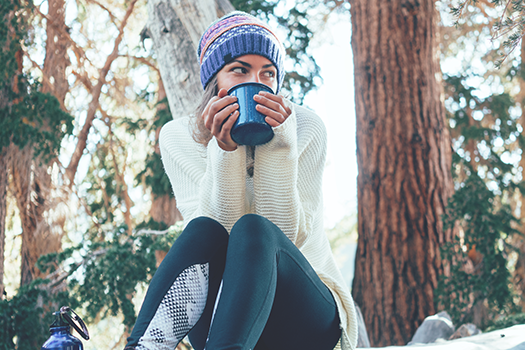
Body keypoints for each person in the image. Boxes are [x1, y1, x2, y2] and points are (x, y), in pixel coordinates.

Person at [124, 11, 357, 350]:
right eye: (239, 70)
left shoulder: (305, 127)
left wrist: (279, 144)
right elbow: (216, 241)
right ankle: (144, 346)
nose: (258, 82)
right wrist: (225, 149)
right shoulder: (178, 136)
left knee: (254, 228)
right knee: (202, 229)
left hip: (305, 316)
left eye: (269, 72)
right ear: (214, 79)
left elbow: (282, 236)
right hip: (224, 314)